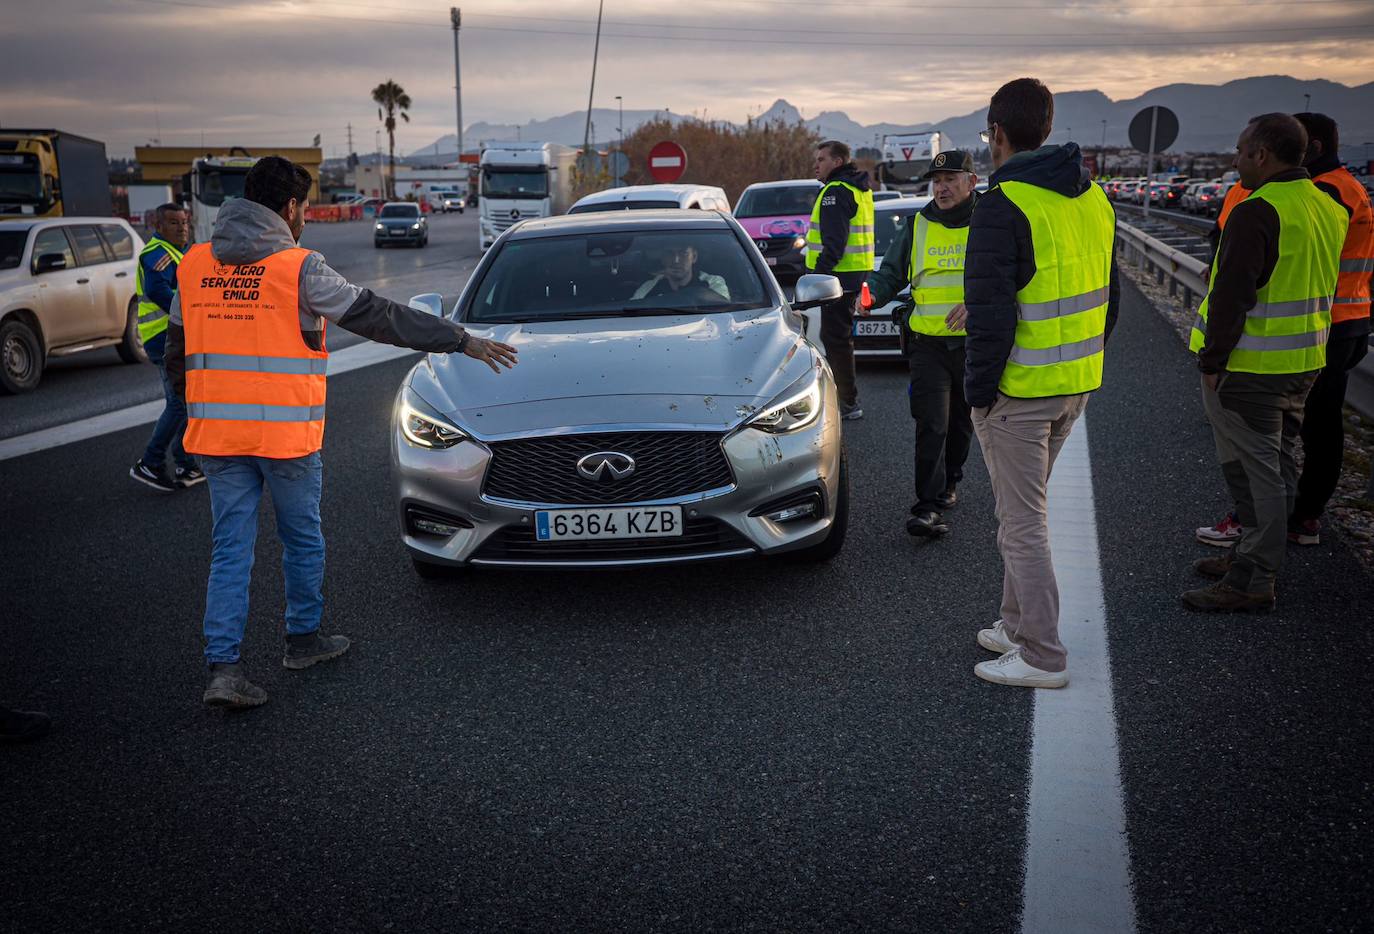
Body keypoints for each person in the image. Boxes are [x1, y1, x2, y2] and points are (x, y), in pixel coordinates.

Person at [165, 156, 518, 709]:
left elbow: (174, 354)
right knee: (301, 538)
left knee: (229, 550)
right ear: (288, 208)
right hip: (286, 441)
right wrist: (457, 338)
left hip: (217, 439)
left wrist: (192, 416)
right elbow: (376, 315)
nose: (303, 218)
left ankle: (224, 671)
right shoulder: (297, 268)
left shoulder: (194, 264)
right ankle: (303, 640)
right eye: (302, 208)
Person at [963, 77, 1120, 689]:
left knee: (1021, 522)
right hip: (1075, 382)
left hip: (1020, 394)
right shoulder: (1093, 197)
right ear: (1046, 129)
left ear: (998, 133)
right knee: (1021, 514)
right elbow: (1108, 300)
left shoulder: (1003, 203)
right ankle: (1014, 625)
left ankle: (1044, 655)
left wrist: (979, 392)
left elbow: (996, 313)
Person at [1182, 114, 1348, 612]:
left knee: (1255, 472)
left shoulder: (1258, 210)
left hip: (1253, 367)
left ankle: (1253, 577)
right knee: (1275, 464)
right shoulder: (1327, 205)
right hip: (1305, 361)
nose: (1234, 160)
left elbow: (1233, 295)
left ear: (1261, 154)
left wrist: (1212, 361)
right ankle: (1251, 558)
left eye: (1240, 150)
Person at [864, 150, 978, 537]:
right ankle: (926, 508)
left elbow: (1011, 274)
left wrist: (978, 301)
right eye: (936, 180)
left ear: (971, 182)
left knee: (963, 424)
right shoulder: (917, 225)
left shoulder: (989, 223)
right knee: (932, 423)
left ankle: (950, 480)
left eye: (950, 179)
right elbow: (891, 274)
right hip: (927, 344)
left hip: (974, 346)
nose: (941, 187)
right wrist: (867, 298)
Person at [1287, 112, 1373, 545]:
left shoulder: (1325, 191)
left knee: (1298, 424)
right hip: (1350, 319)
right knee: (1322, 425)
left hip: (1325, 322)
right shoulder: (1348, 185)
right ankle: (1304, 512)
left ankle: (1294, 514)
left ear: (1314, 146)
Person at [129, 204, 202, 493]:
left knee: (186, 400)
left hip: (175, 338)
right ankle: (151, 461)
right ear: (158, 226)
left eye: (184, 222)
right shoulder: (156, 254)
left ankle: (185, 462)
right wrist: (197, 304)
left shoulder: (178, 252)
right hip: (163, 338)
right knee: (179, 403)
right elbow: (160, 292)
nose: (182, 228)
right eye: (173, 223)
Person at [806, 139, 874, 420]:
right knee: (837, 338)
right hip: (854, 274)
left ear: (837, 162)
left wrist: (818, 276)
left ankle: (847, 402)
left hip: (837, 277)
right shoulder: (858, 187)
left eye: (821, 159)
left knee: (835, 340)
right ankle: (846, 399)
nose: (816, 165)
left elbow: (834, 244)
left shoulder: (836, 191)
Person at [632, 243, 729, 301]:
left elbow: (726, 307)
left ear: (694, 257)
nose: (676, 260)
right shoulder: (650, 286)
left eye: (683, 253)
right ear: (662, 258)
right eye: (670, 253)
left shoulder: (713, 282)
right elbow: (633, 309)